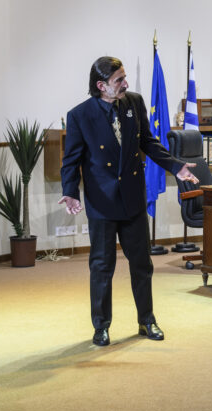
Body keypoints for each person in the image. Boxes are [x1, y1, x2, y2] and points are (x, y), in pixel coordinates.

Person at [58, 56, 198, 347]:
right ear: (101, 86)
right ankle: (101, 326)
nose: (126, 83)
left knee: (142, 264)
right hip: (102, 201)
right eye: (119, 80)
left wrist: (175, 167)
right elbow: (71, 160)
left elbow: (148, 142)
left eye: (124, 77)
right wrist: (70, 191)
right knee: (102, 267)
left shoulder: (134, 102)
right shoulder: (80, 115)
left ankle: (147, 320)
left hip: (133, 198)